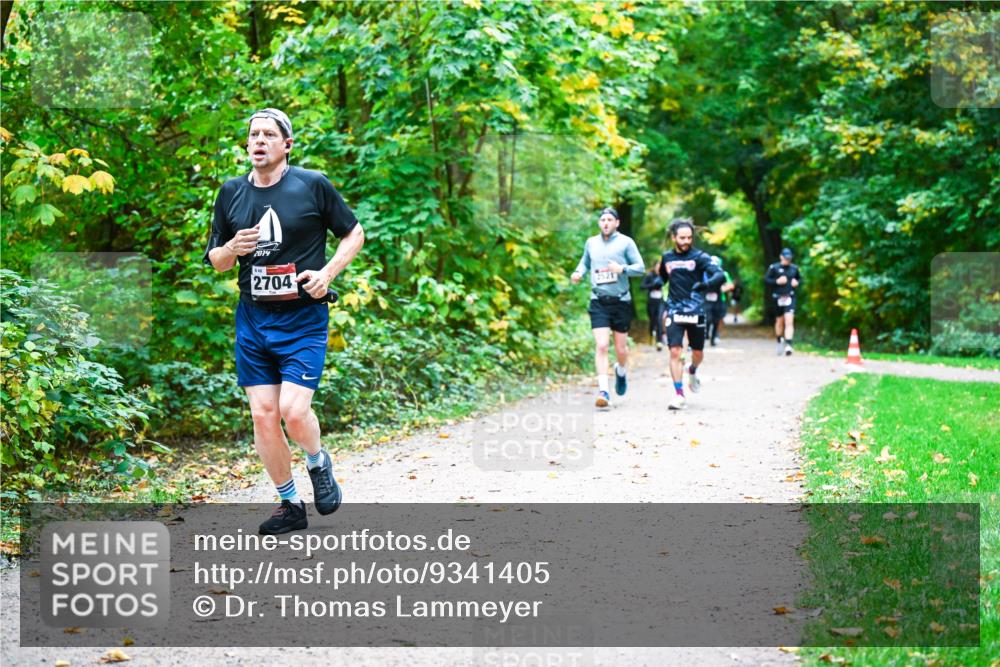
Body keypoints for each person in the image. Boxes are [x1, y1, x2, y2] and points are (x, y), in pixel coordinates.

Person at [205, 108, 365, 535]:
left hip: (303, 318)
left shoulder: (312, 186)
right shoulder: (231, 193)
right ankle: (290, 504)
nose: (258, 140)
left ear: (286, 144)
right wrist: (233, 248)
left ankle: (318, 460)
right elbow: (216, 261)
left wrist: (327, 274)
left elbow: (354, 232)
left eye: (268, 134)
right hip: (253, 319)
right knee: (263, 415)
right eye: (253, 134)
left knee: (294, 413)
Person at [571, 207, 646, 407]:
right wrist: (578, 273)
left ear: (617, 223)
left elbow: (640, 268)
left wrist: (621, 269)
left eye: (609, 220)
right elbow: (584, 263)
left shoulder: (626, 243)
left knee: (621, 349)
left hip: (621, 301)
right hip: (598, 301)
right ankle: (603, 391)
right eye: (602, 219)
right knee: (602, 345)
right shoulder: (591, 243)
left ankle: (621, 370)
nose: (605, 223)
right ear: (599, 223)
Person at [657, 218, 725, 410]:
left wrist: (706, 284)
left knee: (697, 353)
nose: (686, 241)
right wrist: (655, 284)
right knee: (675, 351)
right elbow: (662, 278)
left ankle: (693, 370)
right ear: (674, 237)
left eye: (689, 237)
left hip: (695, 310)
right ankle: (679, 394)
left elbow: (718, 275)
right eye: (682, 238)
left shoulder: (700, 257)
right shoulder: (667, 258)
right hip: (674, 309)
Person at [764, 247, 802, 356]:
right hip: (778, 298)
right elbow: (766, 280)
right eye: (785, 258)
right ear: (781, 257)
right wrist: (777, 281)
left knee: (789, 320)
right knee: (779, 321)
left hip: (790, 297)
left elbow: (799, 279)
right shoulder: (774, 268)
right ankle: (779, 340)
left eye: (789, 258)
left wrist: (797, 282)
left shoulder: (794, 268)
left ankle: (789, 345)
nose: (787, 260)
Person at [704, 255, 733, 347]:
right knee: (708, 318)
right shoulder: (704, 273)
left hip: (720, 299)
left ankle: (715, 336)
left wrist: (722, 288)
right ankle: (707, 332)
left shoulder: (723, 274)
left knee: (717, 319)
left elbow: (730, 285)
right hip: (706, 299)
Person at [640, 265, 665, 351]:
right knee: (653, 321)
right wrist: (653, 285)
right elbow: (642, 286)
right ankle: (651, 335)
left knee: (659, 320)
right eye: (657, 267)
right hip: (651, 302)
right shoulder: (649, 276)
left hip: (661, 302)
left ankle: (659, 341)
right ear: (654, 268)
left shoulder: (664, 276)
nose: (659, 269)